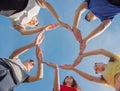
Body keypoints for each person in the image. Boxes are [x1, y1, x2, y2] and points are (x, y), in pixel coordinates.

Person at [0, 0, 71, 35]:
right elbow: (47, 4)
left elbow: (23, 32)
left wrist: (43, 29)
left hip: (4, 7)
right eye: (36, 21)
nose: (34, 23)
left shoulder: (22, 23)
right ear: (37, 17)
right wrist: (59, 21)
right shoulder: (37, 7)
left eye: (33, 25)